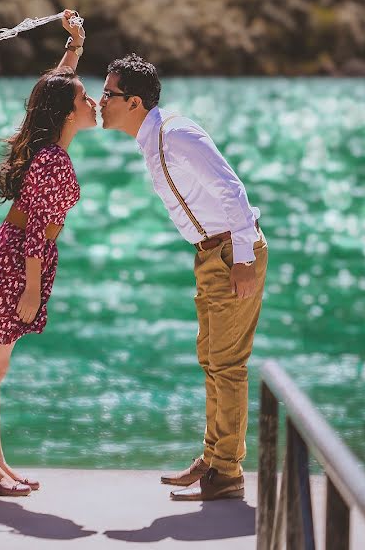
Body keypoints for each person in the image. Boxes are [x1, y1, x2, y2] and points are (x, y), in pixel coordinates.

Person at [100, 54, 267, 501]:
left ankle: (227, 473)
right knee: (211, 360)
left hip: (232, 252)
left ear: (134, 102)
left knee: (228, 365)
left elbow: (231, 189)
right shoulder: (152, 139)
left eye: (108, 94)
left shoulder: (176, 132)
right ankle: (213, 458)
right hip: (211, 254)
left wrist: (245, 258)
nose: (101, 102)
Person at [0, 10, 95, 496]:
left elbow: (57, 88)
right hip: (13, 264)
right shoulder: (53, 159)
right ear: (68, 113)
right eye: (83, 96)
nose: (91, 99)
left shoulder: (49, 146)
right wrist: (32, 289)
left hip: (6, 257)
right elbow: (38, 229)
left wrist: (74, 46)